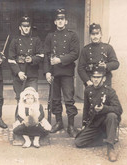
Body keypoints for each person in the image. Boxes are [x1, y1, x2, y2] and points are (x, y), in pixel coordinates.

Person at [43, 8, 80, 136]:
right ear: (55, 22)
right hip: (54, 73)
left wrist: (60, 60)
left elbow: (75, 54)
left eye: (62, 19)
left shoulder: (72, 35)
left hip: (67, 73)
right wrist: (47, 72)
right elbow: (46, 56)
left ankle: (71, 126)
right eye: (58, 19)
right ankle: (59, 122)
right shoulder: (50, 36)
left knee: (69, 99)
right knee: (55, 99)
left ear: (66, 21)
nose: (60, 21)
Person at [75, 66, 123, 162]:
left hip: (106, 121)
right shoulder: (88, 90)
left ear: (104, 78)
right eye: (94, 77)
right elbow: (86, 108)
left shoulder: (109, 91)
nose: (95, 80)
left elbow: (119, 109)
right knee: (78, 142)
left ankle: (110, 147)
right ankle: (105, 138)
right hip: (95, 121)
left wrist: (104, 109)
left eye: (98, 77)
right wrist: (84, 124)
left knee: (112, 115)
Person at [8, 16, 44, 102]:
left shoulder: (36, 40)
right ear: (20, 28)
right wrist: (18, 72)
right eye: (24, 26)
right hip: (19, 75)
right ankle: (19, 115)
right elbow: (11, 59)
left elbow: (41, 56)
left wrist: (32, 59)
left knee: (32, 99)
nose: (26, 28)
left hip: (32, 75)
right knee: (20, 99)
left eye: (28, 26)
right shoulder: (15, 41)